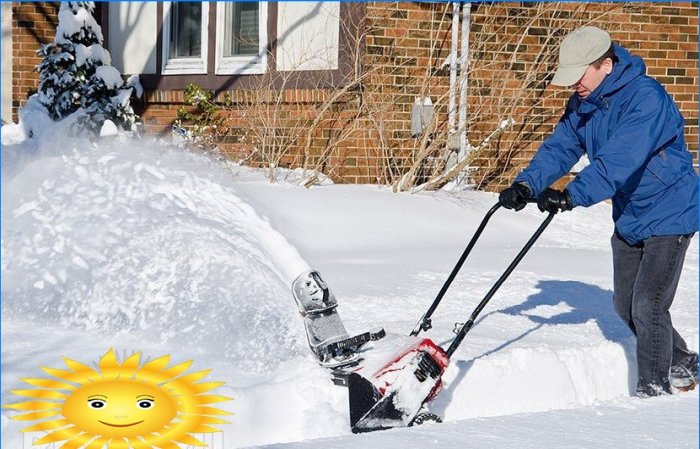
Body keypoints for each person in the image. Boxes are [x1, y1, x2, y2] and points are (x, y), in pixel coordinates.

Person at [498, 26, 699, 397]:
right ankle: (683, 360)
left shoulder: (646, 99)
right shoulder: (584, 103)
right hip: (630, 214)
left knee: (648, 306)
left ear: (605, 65)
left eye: (578, 75)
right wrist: (528, 184)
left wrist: (573, 194)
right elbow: (561, 147)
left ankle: (653, 394)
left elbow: (620, 159)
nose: (573, 84)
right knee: (625, 305)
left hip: (670, 211)